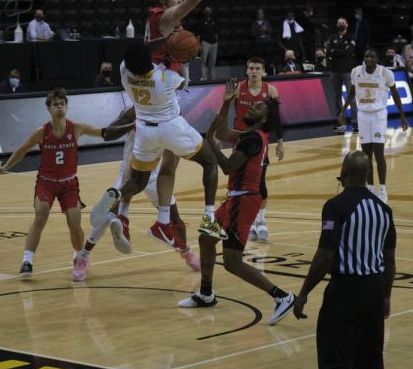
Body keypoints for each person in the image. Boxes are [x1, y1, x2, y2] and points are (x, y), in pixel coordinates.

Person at [179, 80, 296, 325]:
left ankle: (282, 296)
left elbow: (227, 167)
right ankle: (206, 293)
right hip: (234, 199)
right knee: (206, 238)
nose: (253, 107)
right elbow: (221, 132)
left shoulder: (253, 139)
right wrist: (226, 102)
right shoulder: (249, 135)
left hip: (243, 201)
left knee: (232, 262)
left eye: (260, 107)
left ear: (265, 119)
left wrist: (210, 143)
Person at [89, 42, 225, 248]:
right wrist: (178, 53)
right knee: (210, 161)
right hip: (172, 128)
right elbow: (184, 83)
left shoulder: (124, 70)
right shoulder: (167, 78)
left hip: (144, 131)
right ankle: (209, 218)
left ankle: (116, 195)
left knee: (138, 181)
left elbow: (140, 49)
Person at [0, 88, 130, 281]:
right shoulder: (41, 132)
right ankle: (27, 261)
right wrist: (5, 166)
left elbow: (104, 133)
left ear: (66, 106)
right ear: (48, 108)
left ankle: (79, 257)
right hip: (46, 183)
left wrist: (129, 125)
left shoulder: (76, 128)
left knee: (74, 223)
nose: (60, 107)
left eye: (62, 103)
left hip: (69, 184)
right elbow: (22, 150)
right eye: (56, 104)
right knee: (40, 216)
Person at [293, 151, 396, 369]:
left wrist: (304, 293)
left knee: (334, 365)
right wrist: (386, 297)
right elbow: (390, 261)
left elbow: (325, 256)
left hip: (344, 295)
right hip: (373, 292)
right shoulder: (384, 210)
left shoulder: (335, 206)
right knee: (370, 367)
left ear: (344, 173)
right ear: (369, 175)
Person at [80, 106, 200, 271]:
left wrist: (166, 179)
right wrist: (132, 125)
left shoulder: (173, 114)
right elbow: (108, 134)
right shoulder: (134, 111)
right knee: (105, 215)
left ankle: (186, 252)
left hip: (154, 174)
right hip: (129, 171)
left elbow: (171, 158)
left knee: (175, 217)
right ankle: (83, 257)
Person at [338, 49, 409, 203]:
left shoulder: (385, 73)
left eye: (372, 56)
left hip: (378, 115)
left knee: (379, 153)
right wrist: (343, 111)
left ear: (377, 59)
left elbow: (395, 94)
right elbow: (351, 93)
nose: (368, 58)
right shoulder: (356, 71)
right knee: (366, 155)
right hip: (363, 115)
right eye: (366, 56)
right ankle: (369, 188)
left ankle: (382, 189)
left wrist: (402, 117)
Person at [233, 57, 284, 241]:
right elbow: (224, 108)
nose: (254, 71)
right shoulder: (238, 88)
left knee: (259, 183)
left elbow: (276, 118)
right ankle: (246, 221)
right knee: (239, 183)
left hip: (260, 143)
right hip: (239, 140)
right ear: (246, 70)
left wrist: (280, 141)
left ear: (263, 71)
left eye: (257, 68)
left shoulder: (270, 90)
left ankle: (261, 222)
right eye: (251, 68)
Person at [326, 18, 356, 120]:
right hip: (334, 71)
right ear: (336, 25)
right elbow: (328, 51)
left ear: (347, 25)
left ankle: (354, 119)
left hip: (347, 71)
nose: (341, 24)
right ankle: (339, 118)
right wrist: (342, 50)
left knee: (350, 95)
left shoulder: (351, 37)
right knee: (336, 96)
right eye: (339, 23)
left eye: (343, 23)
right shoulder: (332, 38)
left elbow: (349, 52)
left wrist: (336, 51)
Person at [194, 6, 218, 81]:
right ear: (204, 12)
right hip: (205, 43)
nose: (208, 12)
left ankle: (212, 77)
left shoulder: (213, 21)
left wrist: (216, 42)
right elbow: (198, 35)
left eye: (209, 10)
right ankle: (204, 77)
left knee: (213, 61)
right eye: (206, 11)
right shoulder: (200, 22)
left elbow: (216, 33)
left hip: (214, 43)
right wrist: (198, 44)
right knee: (203, 61)